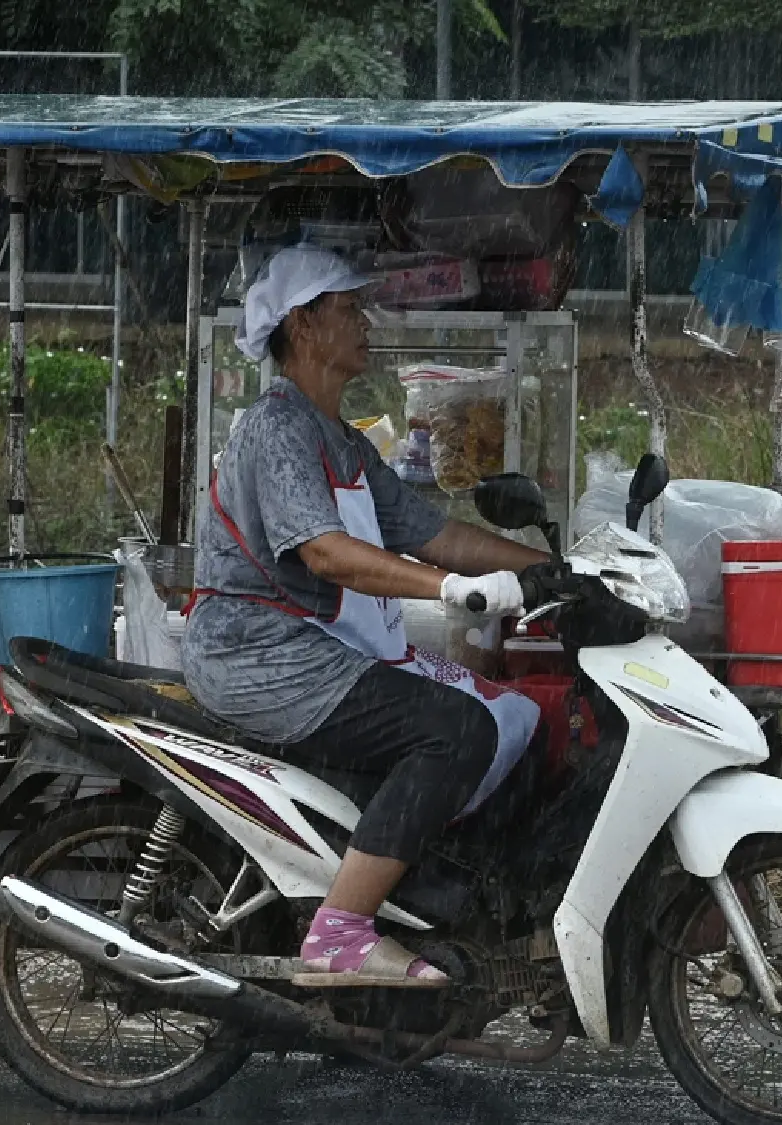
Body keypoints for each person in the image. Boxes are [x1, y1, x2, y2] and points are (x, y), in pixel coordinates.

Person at [183, 244, 550, 986]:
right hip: (264, 656)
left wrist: (545, 568)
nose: (365, 322)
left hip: (323, 647)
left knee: (515, 716)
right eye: (349, 308)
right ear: (304, 325)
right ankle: (340, 931)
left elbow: (432, 531)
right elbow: (324, 552)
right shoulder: (277, 427)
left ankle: (455, 904)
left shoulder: (344, 442)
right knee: (456, 728)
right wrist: (446, 587)